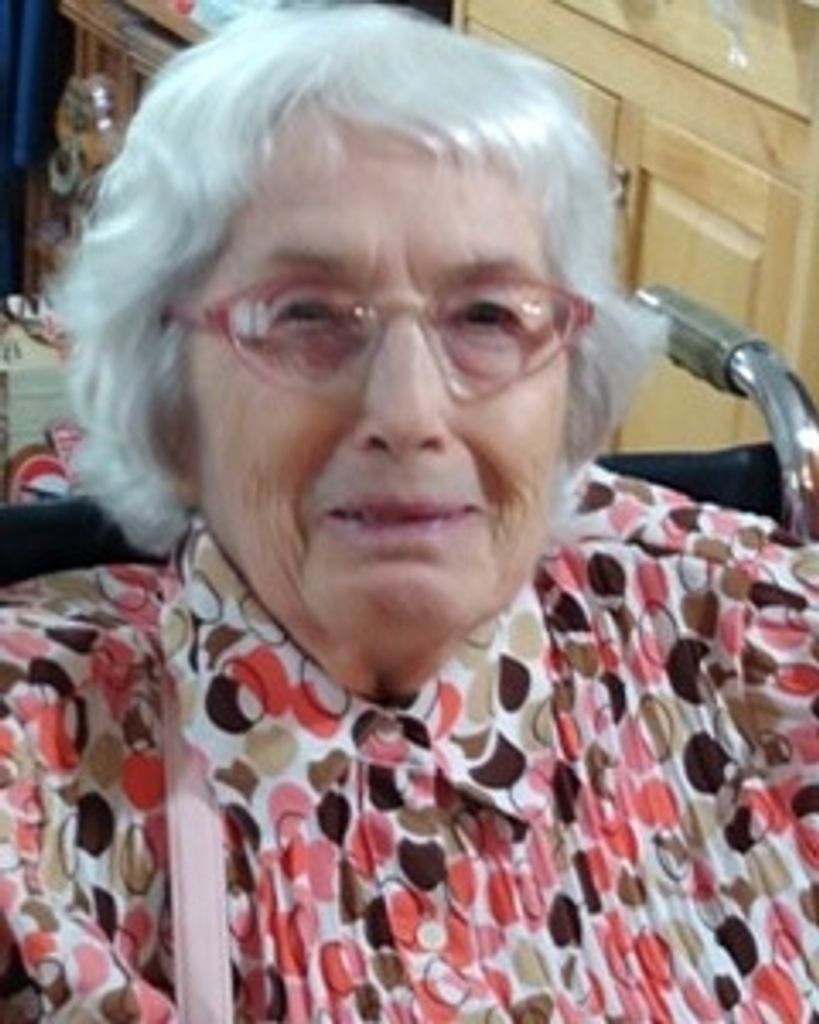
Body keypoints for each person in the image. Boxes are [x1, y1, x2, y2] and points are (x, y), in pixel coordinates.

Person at [1, 4, 817, 1020]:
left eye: (487, 316)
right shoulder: (41, 790)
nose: (408, 413)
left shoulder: (740, 633)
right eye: (303, 316)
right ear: (171, 400)